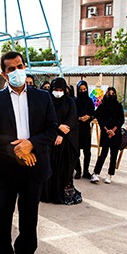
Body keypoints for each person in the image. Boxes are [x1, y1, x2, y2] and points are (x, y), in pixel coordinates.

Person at [0, 51, 57, 254]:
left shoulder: (42, 97)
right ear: (4, 74)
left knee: (29, 216)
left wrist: (31, 144)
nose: (17, 71)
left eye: (20, 66)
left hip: (34, 166)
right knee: (3, 217)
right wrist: (17, 150)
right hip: (5, 167)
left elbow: (52, 129)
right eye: (11, 69)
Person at [41, 77, 81, 205]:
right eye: (55, 89)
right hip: (50, 141)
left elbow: (72, 119)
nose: (58, 92)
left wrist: (62, 135)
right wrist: (58, 127)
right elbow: (45, 118)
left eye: (60, 90)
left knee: (65, 167)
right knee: (50, 167)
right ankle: (48, 194)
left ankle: (63, 191)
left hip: (66, 141)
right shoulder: (47, 101)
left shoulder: (70, 102)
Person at [90, 87, 124, 184]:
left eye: (113, 93)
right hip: (105, 133)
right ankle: (96, 173)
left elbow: (121, 119)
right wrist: (106, 129)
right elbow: (98, 117)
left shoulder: (118, 106)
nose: (111, 95)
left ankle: (110, 174)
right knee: (103, 154)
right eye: (109, 93)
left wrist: (113, 130)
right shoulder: (102, 105)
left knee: (114, 155)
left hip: (115, 133)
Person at [73, 80, 95, 179]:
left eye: (84, 89)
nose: (83, 91)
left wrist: (89, 117)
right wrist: (79, 118)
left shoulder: (89, 101)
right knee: (76, 152)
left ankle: (86, 171)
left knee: (87, 152)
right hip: (77, 129)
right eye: (81, 90)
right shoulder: (74, 101)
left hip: (86, 129)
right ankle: (78, 170)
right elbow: (72, 114)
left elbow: (93, 113)